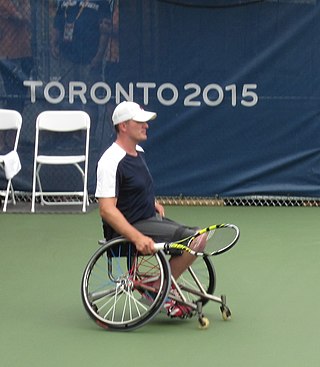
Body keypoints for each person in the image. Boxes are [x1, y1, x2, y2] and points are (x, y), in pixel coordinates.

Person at [95, 101, 207, 318]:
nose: (146, 126)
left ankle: (160, 284)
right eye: (140, 122)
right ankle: (156, 287)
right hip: (130, 229)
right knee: (197, 239)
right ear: (124, 126)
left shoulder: (137, 152)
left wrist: (151, 201)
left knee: (197, 237)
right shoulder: (110, 161)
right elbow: (107, 210)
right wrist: (137, 238)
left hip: (147, 218)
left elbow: (134, 187)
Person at [51, 0, 112, 135]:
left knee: (90, 98)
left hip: (90, 58)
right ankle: (69, 135)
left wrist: (99, 55)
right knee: (68, 97)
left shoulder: (101, 3)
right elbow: (57, 22)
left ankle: (88, 137)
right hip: (68, 56)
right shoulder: (65, 2)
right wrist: (54, 41)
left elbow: (105, 32)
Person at [0, 0, 33, 113]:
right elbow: (21, 17)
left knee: (21, 97)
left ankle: (12, 128)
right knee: (13, 96)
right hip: (9, 55)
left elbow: (27, 16)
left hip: (24, 53)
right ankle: (8, 128)